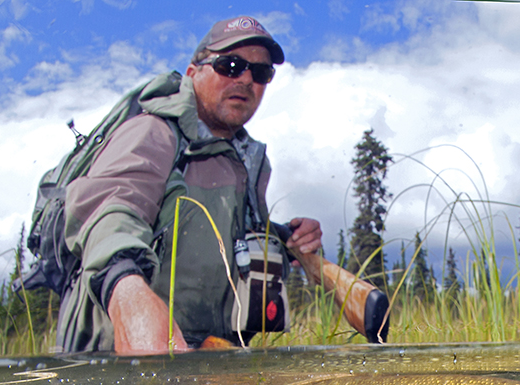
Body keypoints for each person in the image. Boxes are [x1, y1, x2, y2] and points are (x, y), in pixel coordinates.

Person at [57, 16, 323, 354]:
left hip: (204, 361)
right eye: (230, 65)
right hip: (115, 361)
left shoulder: (250, 162)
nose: (245, 79)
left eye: (260, 73)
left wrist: (285, 238)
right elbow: (111, 210)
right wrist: (126, 290)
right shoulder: (152, 131)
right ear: (192, 72)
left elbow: (225, 246)